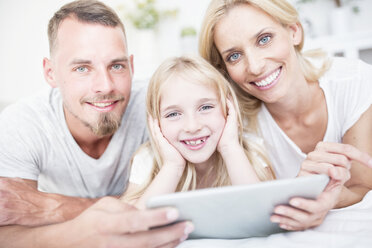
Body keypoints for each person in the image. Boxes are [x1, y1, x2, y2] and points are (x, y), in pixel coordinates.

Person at [0, 0, 193, 246]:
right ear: (51, 73)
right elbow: (5, 232)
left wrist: (49, 206)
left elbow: (188, 200)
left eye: (117, 65)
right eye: (82, 68)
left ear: (132, 67)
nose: (105, 85)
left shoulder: (159, 106)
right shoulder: (22, 125)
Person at [199, 0, 372, 230]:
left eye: (264, 39)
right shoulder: (236, 126)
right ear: (225, 70)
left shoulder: (353, 81)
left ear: (294, 31)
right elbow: (258, 212)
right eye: (234, 56)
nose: (255, 66)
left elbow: (363, 186)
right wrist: (302, 195)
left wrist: (325, 198)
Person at [121, 55, 275, 209]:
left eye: (205, 107)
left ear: (229, 107)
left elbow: (264, 213)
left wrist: (230, 148)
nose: (192, 126)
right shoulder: (147, 160)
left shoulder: (250, 152)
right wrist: (173, 166)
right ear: (155, 122)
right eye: (173, 114)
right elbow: (132, 224)